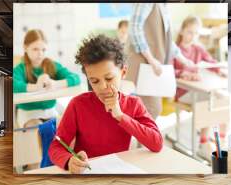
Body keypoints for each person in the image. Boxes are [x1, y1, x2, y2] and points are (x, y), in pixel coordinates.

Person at [49, 35, 163, 174]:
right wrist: (69, 160)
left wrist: (121, 116)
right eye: (94, 81)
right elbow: (56, 147)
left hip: (118, 173)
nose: (103, 86)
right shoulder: (78, 105)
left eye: (109, 78)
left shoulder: (134, 104)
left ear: (123, 72)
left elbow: (156, 143)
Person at [125, 3, 195, 120]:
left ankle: (143, 136)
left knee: (151, 109)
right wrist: (151, 60)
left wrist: (184, 60)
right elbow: (134, 28)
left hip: (151, 66)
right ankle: (143, 137)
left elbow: (166, 40)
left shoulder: (164, 6)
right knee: (152, 108)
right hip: (143, 64)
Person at [173, 16, 228, 157]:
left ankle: (221, 141)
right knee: (208, 100)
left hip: (197, 90)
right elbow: (168, 71)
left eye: (196, 33)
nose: (193, 36)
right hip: (183, 92)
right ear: (182, 31)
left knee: (224, 98)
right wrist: (184, 73)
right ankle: (203, 144)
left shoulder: (198, 48)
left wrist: (219, 70)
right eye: (190, 32)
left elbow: (211, 62)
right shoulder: (175, 50)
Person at [13, 29, 81, 128]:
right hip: (28, 113)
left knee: (68, 125)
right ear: (25, 47)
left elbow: (76, 78)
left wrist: (55, 84)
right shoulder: (20, 69)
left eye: (43, 50)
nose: (40, 53)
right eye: (35, 49)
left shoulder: (52, 65)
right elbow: (13, 85)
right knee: (38, 127)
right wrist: (36, 87)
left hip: (50, 111)